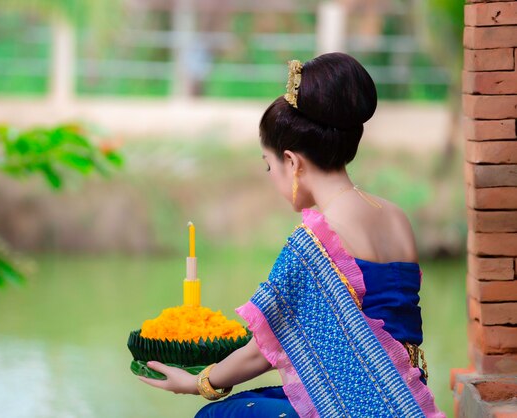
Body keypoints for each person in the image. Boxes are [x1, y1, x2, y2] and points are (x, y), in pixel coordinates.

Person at [139, 52, 444, 417]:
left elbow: (266, 346)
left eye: (269, 165)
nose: (271, 177)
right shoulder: (395, 217)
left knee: (220, 415)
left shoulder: (316, 239)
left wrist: (198, 383)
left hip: (357, 405)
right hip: (406, 400)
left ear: (292, 162)